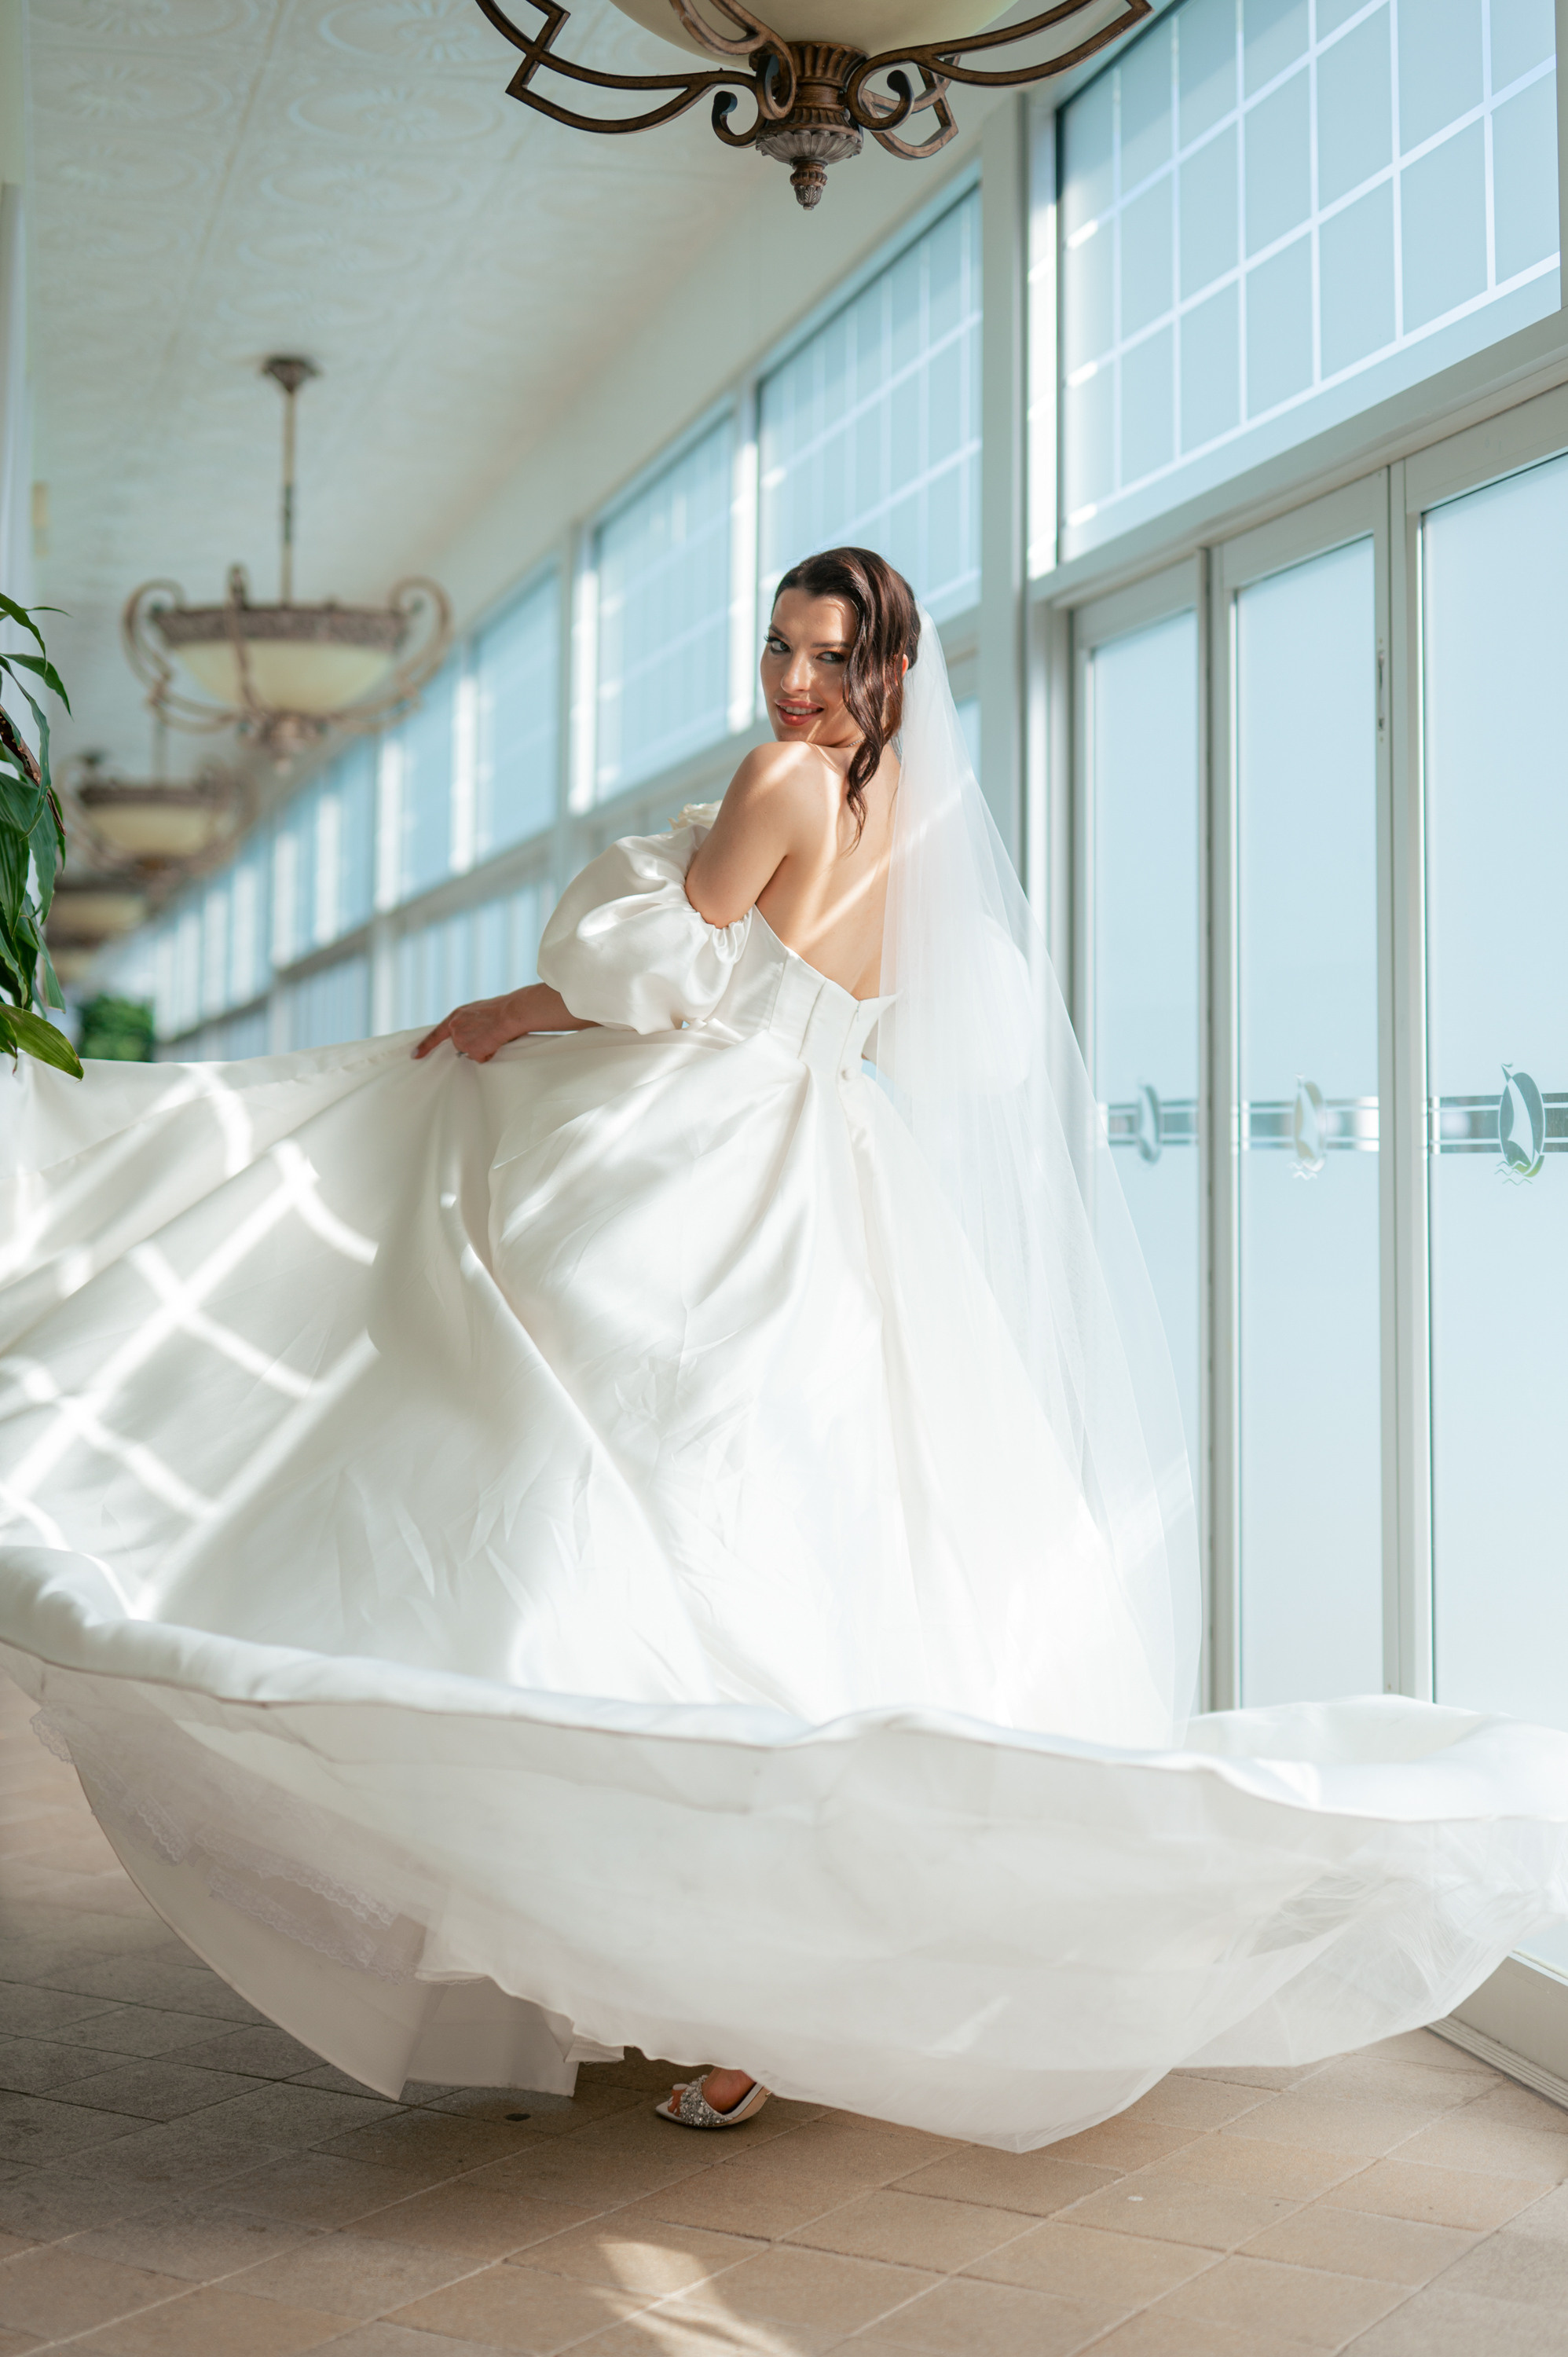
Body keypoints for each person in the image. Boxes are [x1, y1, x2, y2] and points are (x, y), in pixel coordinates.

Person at [2, 548, 1565, 2154]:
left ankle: (646, 1944)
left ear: (879, 668)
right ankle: (739, 1972)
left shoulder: (783, 781)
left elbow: (644, 977)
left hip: (701, 1147)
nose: (790, 681)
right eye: (775, 648)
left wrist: (514, 1010)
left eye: (823, 655)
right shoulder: (926, 827)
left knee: (560, 1466)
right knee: (798, 1544)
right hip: (831, 1164)